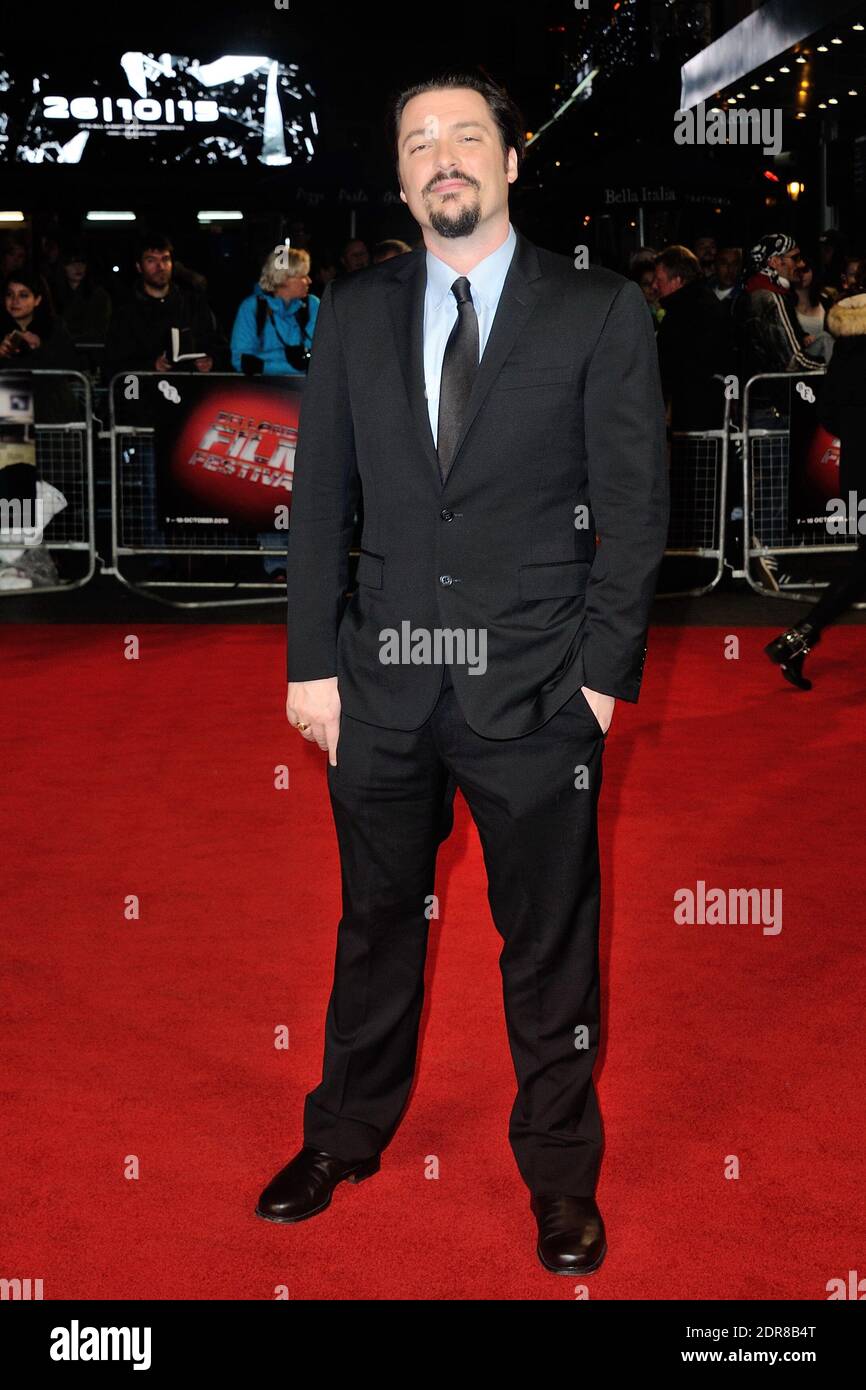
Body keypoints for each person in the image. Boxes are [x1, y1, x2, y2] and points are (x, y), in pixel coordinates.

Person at [257, 68, 670, 1277]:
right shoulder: (352, 312)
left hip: (538, 688)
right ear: (398, 175)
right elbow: (318, 500)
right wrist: (309, 664)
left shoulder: (594, 310)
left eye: (465, 136)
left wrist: (598, 679)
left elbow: (635, 512)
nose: (443, 157)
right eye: (419, 142)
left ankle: (557, 1173)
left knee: (548, 942)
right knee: (373, 924)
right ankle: (342, 1135)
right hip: (379, 680)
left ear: (507, 158)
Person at [764, 289, 866, 689]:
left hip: (856, 472)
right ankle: (801, 635)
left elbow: (827, 415)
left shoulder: (844, 352)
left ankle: (801, 638)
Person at [230, 246, 320, 577]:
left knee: (310, 488)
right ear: (284, 279)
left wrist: (273, 363)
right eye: (301, 275)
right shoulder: (251, 308)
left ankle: (310, 564)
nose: (309, 281)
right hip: (265, 410)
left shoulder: (313, 306)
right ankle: (277, 563)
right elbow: (241, 358)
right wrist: (291, 363)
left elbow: (326, 355)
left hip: (307, 408)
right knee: (271, 485)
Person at [102, 232, 224, 384]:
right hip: (145, 394)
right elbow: (114, 364)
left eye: (165, 259)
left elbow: (219, 345)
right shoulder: (126, 312)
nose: (160, 267)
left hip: (190, 391)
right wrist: (151, 366)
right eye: (151, 260)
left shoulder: (193, 303)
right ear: (139, 267)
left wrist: (211, 361)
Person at [653, 244, 732, 430]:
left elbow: (669, 366)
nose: (655, 286)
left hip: (693, 413)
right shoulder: (705, 302)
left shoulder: (682, 314)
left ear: (677, 280)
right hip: (709, 408)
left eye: (659, 279)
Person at [792, 257, 833, 363]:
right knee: (824, 337)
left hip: (824, 356)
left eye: (805, 270)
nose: (802, 275)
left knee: (825, 337)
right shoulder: (785, 302)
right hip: (799, 357)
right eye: (798, 271)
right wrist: (803, 338)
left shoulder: (825, 301)